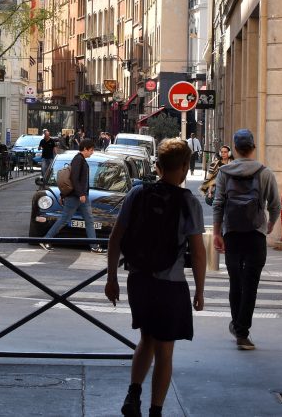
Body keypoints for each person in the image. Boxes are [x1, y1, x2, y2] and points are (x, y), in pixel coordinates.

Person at [105, 138, 206, 417]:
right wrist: (199, 290)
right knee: (165, 350)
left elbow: (115, 239)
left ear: (158, 166)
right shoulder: (188, 203)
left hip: (138, 280)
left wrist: (111, 278)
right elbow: (198, 254)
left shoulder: (137, 195)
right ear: (185, 166)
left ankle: (133, 393)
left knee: (146, 338)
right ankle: (155, 411)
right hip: (170, 285)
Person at [212, 129, 280, 351]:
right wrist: (269, 224)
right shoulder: (265, 172)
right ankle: (242, 332)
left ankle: (237, 325)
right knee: (251, 285)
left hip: (232, 234)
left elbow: (218, 203)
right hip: (256, 234)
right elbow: (275, 204)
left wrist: (216, 232)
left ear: (234, 149)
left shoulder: (224, 172)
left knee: (236, 282)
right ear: (252, 147)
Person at [41, 138, 103, 252]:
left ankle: (94, 246)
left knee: (89, 220)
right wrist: (80, 194)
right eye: (91, 150)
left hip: (81, 196)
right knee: (64, 219)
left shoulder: (80, 159)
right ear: (85, 149)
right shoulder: (78, 160)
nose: (92, 152)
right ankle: (46, 239)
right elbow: (74, 178)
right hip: (76, 197)